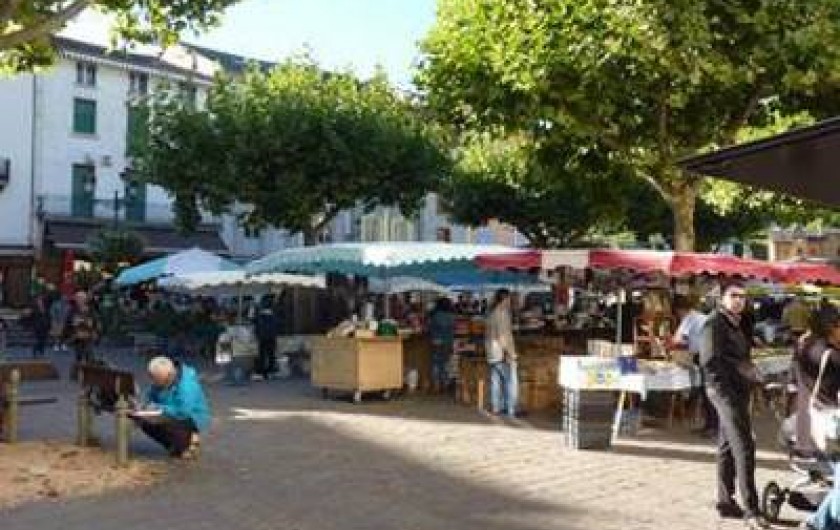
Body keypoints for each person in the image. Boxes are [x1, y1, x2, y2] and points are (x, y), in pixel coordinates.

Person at [700, 280, 768, 529]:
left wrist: (749, 372)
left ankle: (725, 501)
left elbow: (738, 358)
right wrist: (725, 393)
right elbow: (709, 362)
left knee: (728, 445)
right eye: (734, 296)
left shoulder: (738, 323)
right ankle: (752, 510)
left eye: (743, 296)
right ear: (722, 298)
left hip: (738, 391)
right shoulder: (714, 323)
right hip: (723, 393)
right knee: (744, 446)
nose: (739, 300)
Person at [794, 311, 840, 530]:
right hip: (832, 425)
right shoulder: (831, 356)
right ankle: (817, 523)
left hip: (809, 422)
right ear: (832, 328)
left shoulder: (803, 346)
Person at [132, 356, 211, 459]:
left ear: (169, 376)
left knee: (165, 423)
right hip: (168, 410)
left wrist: (159, 408)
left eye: (158, 380)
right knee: (144, 421)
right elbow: (151, 394)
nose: (155, 383)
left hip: (192, 416)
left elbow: (183, 411)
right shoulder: (161, 379)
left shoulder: (187, 385)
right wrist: (143, 405)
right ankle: (176, 445)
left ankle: (189, 441)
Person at [671, 296, 715, 436]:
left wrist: (668, 342)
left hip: (704, 355)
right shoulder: (702, 316)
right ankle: (710, 425)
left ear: (680, 310)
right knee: (707, 390)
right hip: (711, 355)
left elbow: (679, 340)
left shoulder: (689, 318)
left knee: (707, 391)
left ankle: (712, 427)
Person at [486, 289, 518, 417]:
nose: (510, 302)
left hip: (492, 353)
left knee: (496, 381)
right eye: (509, 299)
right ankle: (510, 409)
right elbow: (503, 336)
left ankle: (496, 407)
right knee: (510, 381)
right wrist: (511, 353)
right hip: (501, 352)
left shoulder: (492, 313)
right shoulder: (502, 314)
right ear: (504, 299)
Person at [63, 290, 99, 364]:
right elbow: (68, 323)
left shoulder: (91, 309)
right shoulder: (72, 310)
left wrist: (94, 330)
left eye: (82, 298)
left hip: (88, 336)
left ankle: (89, 369)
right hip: (77, 337)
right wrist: (68, 334)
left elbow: (95, 322)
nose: (80, 300)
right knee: (79, 355)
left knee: (89, 354)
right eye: (78, 298)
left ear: (85, 299)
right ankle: (79, 371)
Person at [428, 297, 455, 393]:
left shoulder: (434, 315)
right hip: (448, 341)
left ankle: (436, 385)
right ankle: (445, 384)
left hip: (436, 341)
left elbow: (430, 328)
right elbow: (453, 329)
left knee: (436, 363)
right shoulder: (452, 316)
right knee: (445, 363)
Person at [253, 296, 280, 380]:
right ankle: (270, 373)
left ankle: (262, 373)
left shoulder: (259, 314)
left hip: (262, 337)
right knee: (271, 355)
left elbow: (255, 323)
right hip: (271, 336)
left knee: (262, 355)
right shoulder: (274, 314)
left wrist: (257, 334)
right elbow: (277, 325)